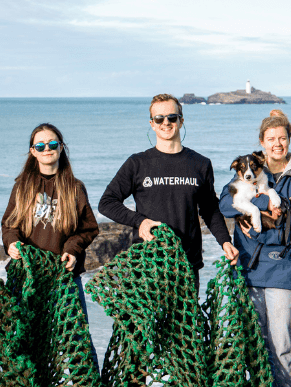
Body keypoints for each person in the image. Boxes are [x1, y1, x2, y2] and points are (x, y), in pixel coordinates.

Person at [218, 110, 291, 387]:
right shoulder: (248, 173)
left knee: (283, 343)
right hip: (248, 269)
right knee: (254, 342)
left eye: (282, 138)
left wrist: (260, 231)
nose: (277, 143)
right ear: (261, 143)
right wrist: (262, 206)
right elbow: (224, 204)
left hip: (285, 271)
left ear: (289, 140)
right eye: (271, 138)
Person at [98, 93, 238, 284]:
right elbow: (107, 203)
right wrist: (140, 222)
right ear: (152, 124)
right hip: (147, 265)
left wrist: (225, 241)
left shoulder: (200, 164)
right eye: (159, 118)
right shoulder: (137, 163)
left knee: (187, 316)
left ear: (181, 121)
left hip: (187, 264)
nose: (166, 122)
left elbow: (209, 209)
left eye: (172, 117)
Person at [2, 123, 101, 366]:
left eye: (53, 144)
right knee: (25, 339)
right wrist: (12, 243)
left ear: (61, 148)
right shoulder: (22, 186)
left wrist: (72, 250)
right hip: (28, 278)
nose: (47, 149)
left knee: (77, 341)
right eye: (41, 145)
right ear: (32, 151)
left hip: (65, 278)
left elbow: (88, 228)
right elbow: (9, 225)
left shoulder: (75, 187)